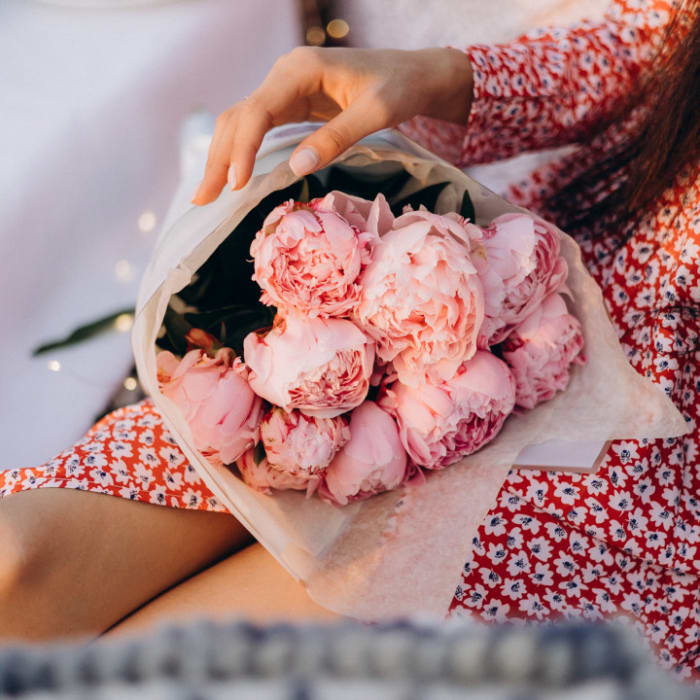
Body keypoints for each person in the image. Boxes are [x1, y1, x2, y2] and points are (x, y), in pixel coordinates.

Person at [1, 0, 697, 678]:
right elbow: (657, 44)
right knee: (17, 567)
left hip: (634, 488)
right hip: (502, 297)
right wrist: (438, 77)